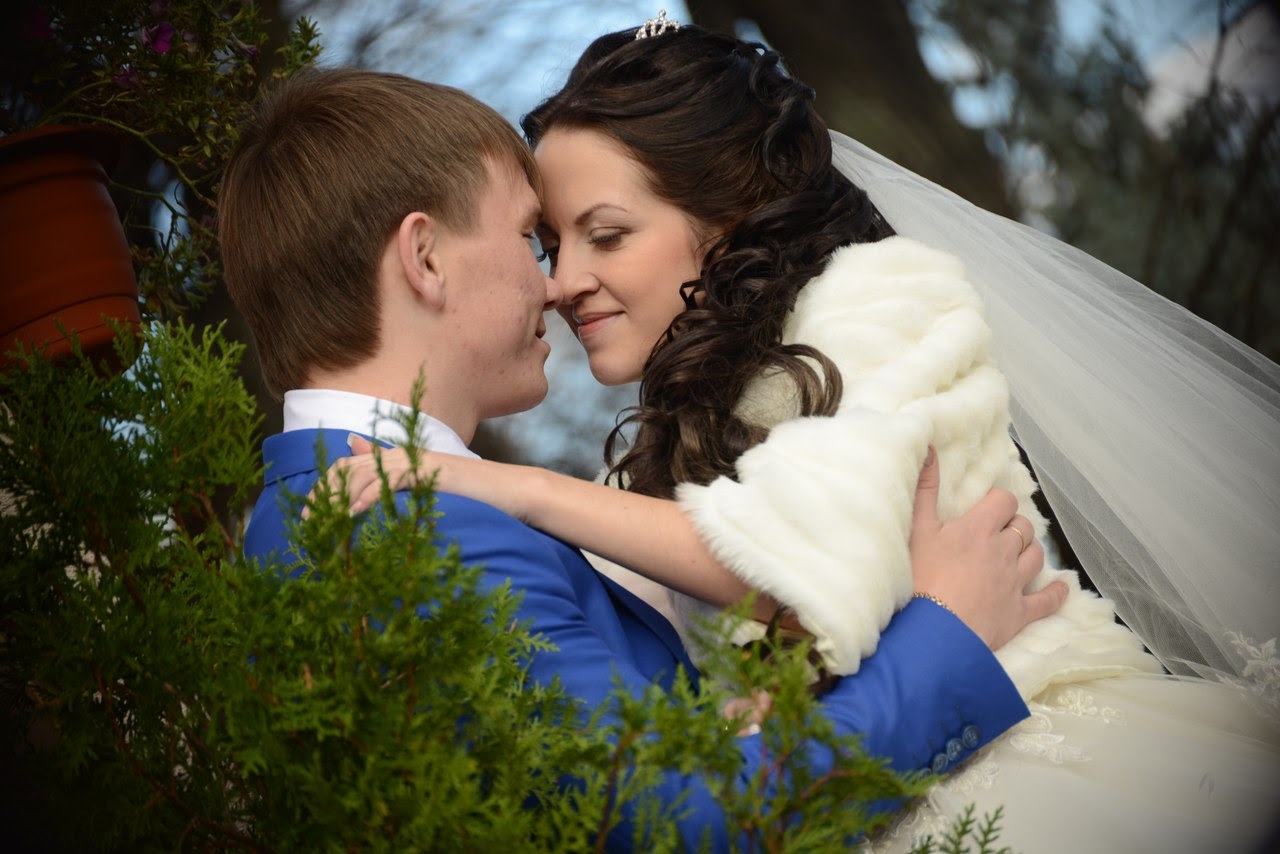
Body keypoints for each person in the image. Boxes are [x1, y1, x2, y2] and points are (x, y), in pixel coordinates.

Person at [327, 17, 1280, 853]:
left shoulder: (878, 302)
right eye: (550, 245)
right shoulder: (681, 419)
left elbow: (799, 563)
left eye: (605, 235)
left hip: (1031, 755)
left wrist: (512, 487)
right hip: (862, 787)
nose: (559, 280)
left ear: (727, 216)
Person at [218, 66, 1065, 851]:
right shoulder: (418, 530)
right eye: (529, 236)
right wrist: (948, 637)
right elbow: (679, 823)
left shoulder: (324, 511)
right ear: (425, 258)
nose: (553, 285)